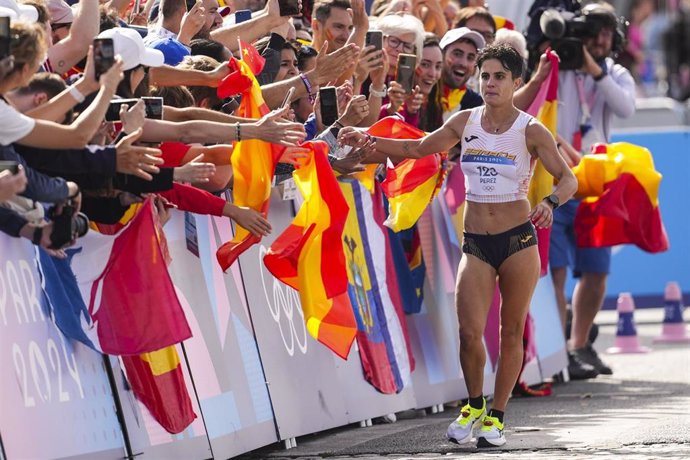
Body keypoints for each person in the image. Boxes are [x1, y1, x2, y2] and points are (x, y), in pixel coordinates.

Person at [338, 44, 577, 448]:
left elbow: (568, 179)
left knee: (510, 331)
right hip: (477, 243)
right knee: (469, 332)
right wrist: (368, 138)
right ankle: (473, 405)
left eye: (500, 76)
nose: (490, 83)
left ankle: (497, 416)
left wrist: (551, 203)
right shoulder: (465, 121)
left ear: (516, 82)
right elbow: (416, 149)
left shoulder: (530, 129)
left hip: (518, 240)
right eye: (485, 75)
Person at [548, 2, 635, 380]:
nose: (599, 40)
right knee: (557, 270)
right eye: (593, 32)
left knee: (597, 273)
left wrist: (596, 73)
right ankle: (556, 352)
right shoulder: (557, 67)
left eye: (606, 34)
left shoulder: (614, 73)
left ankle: (579, 343)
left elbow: (626, 108)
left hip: (598, 186)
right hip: (558, 180)